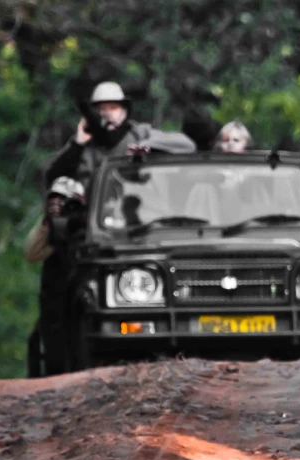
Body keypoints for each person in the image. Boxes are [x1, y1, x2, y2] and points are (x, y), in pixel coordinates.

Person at [43, 81, 197, 187]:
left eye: (113, 108)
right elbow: (52, 178)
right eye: (102, 109)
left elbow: (187, 145)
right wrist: (77, 144)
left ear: (124, 112)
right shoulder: (83, 145)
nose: (107, 114)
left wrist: (147, 148)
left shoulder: (140, 134)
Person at [24, 177, 86, 377]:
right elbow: (31, 254)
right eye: (54, 200)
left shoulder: (88, 226)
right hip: (54, 305)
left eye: (64, 201)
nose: (57, 205)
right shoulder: (51, 231)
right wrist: (48, 226)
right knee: (46, 345)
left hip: (80, 304)